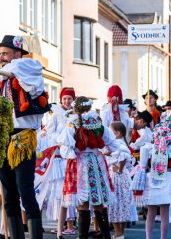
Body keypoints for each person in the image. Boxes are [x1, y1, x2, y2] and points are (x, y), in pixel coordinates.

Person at [0, 35, 50, 239]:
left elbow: (19, 68)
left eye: (5, 53)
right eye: (0, 54)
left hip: (22, 137)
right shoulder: (3, 77)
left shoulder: (28, 68)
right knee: (8, 193)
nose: (2, 58)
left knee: (25, 190)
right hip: (4, 137)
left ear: (17, 53)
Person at [57, 96, 120, 239]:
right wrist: (106, 153)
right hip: (97, 163)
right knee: (98, 203)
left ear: (75, 108)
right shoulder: (98, 123)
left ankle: (82, 237)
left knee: (82, 204)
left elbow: (65, 148)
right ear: (90, 108)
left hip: (80, 164)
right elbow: (113, 144)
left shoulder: (72, 124)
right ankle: (106, 236)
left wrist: (73, 154)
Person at [132, 112, 171, 239]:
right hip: (168, 179)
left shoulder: (147, 148)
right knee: (164, 212)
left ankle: (149, 237)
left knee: (151, 211)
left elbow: (142, 168)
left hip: (151, 178)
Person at [43, 87, 77, 238]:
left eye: (69, 98)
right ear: (61, 100)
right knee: (58, 190)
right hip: (59, 153)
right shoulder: (56, 114)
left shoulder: (76, 114)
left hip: (70, 154)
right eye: (64, 98)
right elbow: (50, 131)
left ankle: (70, 224)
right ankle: (60, 224)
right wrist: (61, 139)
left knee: (69, 189)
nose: (67, 101)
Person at [107, 122, 132, 239]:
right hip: (123, 176)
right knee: (122, 203)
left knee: (115, 204)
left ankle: (118, 233)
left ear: (117, 133)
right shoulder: (122, 143)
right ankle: (120, 232)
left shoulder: (117, 143)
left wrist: (119, 169)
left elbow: (122, 156)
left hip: (117, 176)